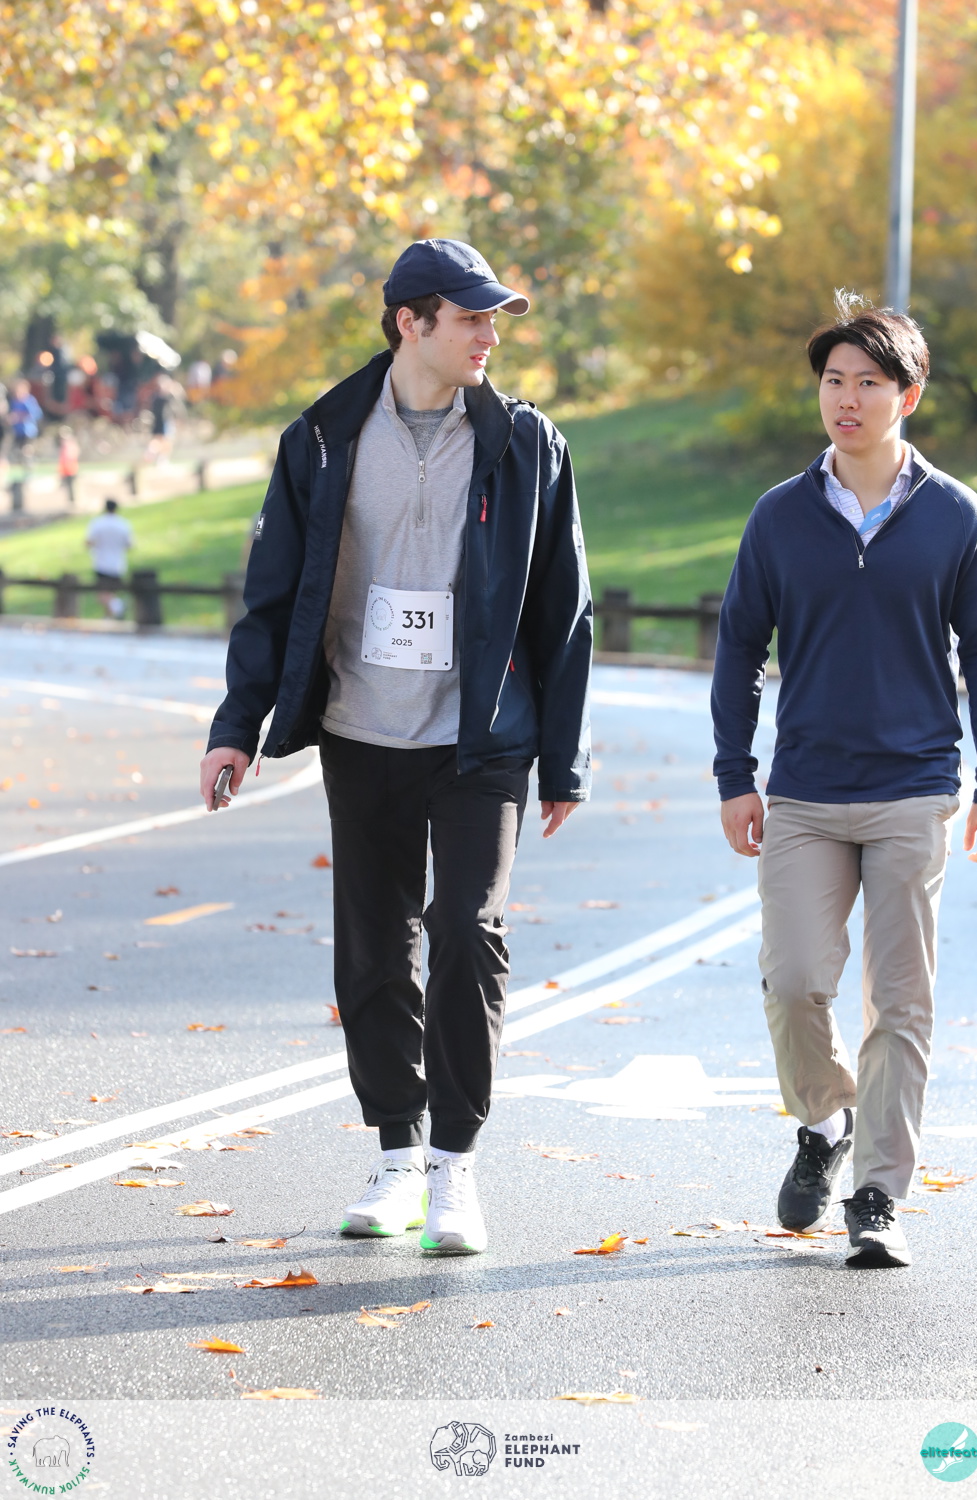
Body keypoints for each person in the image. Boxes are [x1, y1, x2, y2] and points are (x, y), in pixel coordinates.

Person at [201, 239, 592, 1255]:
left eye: (493, 318)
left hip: (481, 736)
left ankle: (456, 1167)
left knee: (465, 926)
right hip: (362, 728)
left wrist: (564, 757)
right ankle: (396, 1155)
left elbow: (564, 608)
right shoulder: (323, 437)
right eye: (470, 317)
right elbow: (272, 596)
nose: (489, 335)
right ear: (410, 323)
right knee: (373, 947)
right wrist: (237, 728)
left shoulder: (525, 443)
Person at [711, 292, 977, 1270]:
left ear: (906, 397)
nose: (845, 399)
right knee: (795, 981)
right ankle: (825, 1119)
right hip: (803, 791)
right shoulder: (780, 517)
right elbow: (739, 648)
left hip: (915, 788)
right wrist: (734, 773)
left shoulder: (956, 517)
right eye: (833, 381)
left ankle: (877, 1195)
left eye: (867, 383)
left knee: (900, 1001)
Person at [85, 498, 133, 619]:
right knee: (110, 593)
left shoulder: (98, 523)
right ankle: (110, 616)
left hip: (101, 563)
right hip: (117, 564)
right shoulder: (123, 524)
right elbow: (129, 545)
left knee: (102, 594)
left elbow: (89, 542)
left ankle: (118, 607)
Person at [9, 378, 43, 471]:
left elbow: (36, 414)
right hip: (18, 431)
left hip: (28, 431)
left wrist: (20, 416)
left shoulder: (29, 400)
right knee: (16, 450)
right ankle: (22, 467)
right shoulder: (15, 401)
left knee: (26, 449)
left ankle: (30, 465)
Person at [57, 426, 80, 506]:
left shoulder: (70, 444)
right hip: (66, 469)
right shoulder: (65, 445)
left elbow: (70, 456)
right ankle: (71, 500)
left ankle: (74, 500)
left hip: (71, 468)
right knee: (68, 485)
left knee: (72, 485)